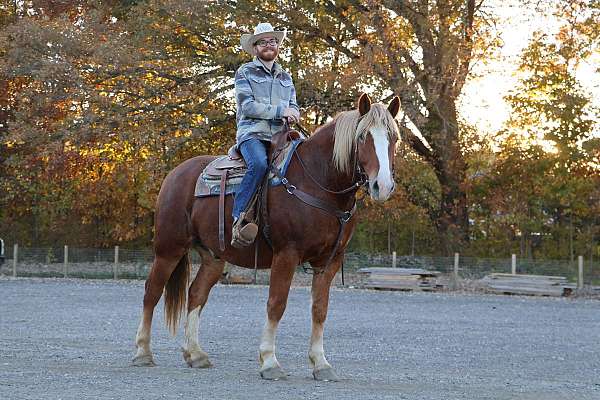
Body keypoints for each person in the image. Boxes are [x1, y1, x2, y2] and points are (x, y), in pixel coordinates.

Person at [231, 22, 300, 248]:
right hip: (252, 134)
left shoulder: (286, 77)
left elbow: (294, 106)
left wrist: (294, 115)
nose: (269, 45)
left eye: (273, 41)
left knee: (304, 164)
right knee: (259, 164)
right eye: (263, 42)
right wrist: (281, 112)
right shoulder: (244, 72)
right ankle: (239, 218)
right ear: (255, 47)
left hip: (282, 135)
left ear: (277, 45)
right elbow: (247, 106)